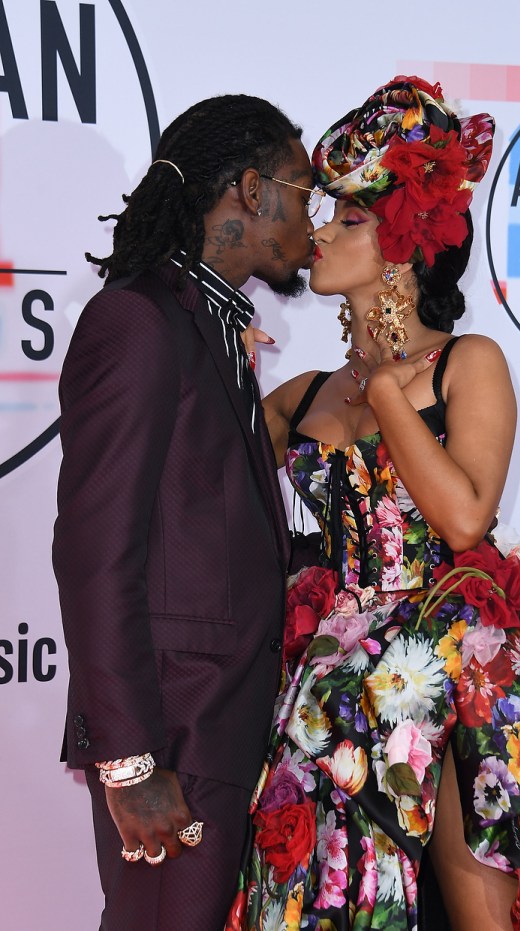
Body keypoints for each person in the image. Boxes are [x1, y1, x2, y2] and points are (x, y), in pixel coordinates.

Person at [226, 76, 520, 931]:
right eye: (326, 213)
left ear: (405, 243)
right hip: (337, 681)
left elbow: (464, 519)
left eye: (351, 219)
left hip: (460, 666)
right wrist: (223, 361)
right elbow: (211, 503)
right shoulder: (296, 397)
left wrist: (390, 390)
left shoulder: (467, 364)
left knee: (476, 884)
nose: (321, 232)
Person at [52, 93, 320, 930]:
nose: (314, 221)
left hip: (225, 729)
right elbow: (95, 553)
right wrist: (131, 760)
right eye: (303, 193)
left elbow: (217, 532)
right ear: (248, 189)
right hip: (175, 736)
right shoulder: (137, 322)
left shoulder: (207, 322)